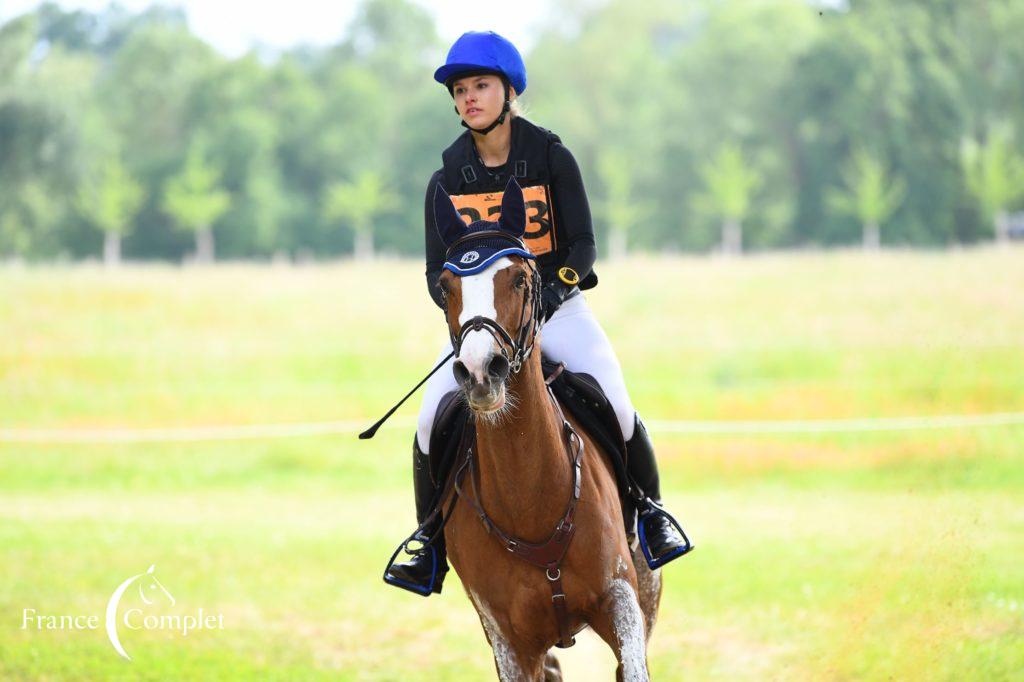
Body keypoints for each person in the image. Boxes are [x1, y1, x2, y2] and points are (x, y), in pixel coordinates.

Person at [384, 30, 690, 596]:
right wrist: (465, 312)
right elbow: (434, 273)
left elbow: (584, 247)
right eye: (460, 89)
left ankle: (650, 514)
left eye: (480, 85)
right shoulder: (445, 180)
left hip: (558, 311)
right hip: (484, 325)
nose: (469, 97)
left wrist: (549, 295)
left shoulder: (551, 156)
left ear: (507, 91)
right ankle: (428, 543)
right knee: (429, 423)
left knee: (617, 405)